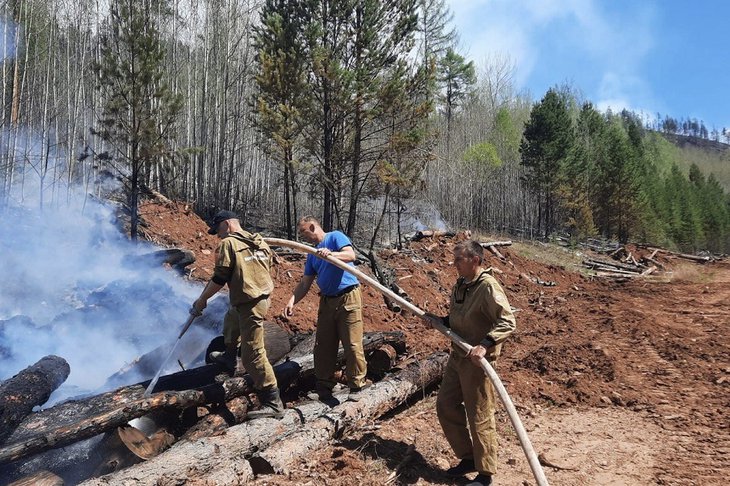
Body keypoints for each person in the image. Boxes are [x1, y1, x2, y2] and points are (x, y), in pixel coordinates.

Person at [425, 240, 516, 486]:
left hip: (478, 363)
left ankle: (485, 474)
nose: (454, 264)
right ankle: (468, 457)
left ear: (474, 260)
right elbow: (459, 318)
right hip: (457, 357)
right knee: (445, 405)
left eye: (459, 260)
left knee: (480, 415)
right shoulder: (460, 285)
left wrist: (485, 345)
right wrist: (440, 321)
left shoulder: (488, 287)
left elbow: (507, 321)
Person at [193, 210, 284, 420]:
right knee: (231, 321)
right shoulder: (258, 242)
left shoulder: (229, 244)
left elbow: (219, 278)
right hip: (256, 298)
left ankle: (272, 401)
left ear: (227, 224)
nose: (218, 235)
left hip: (251, 303)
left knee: (253, 353)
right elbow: (267, 265)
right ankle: (229, 358)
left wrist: (202, 300)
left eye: (218, 230)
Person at [283, 216, 368, 403]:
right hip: (327, 301)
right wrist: (291, 301)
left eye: (304, 233)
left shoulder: (335, 237)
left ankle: (356, 386)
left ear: (313, 227)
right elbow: (305, 282)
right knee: (323, 346)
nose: (303, 237)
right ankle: (324, 387)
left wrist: (330, 255)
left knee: (352, 345)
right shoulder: (312, 254)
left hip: (348, 297)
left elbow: (350, 255)